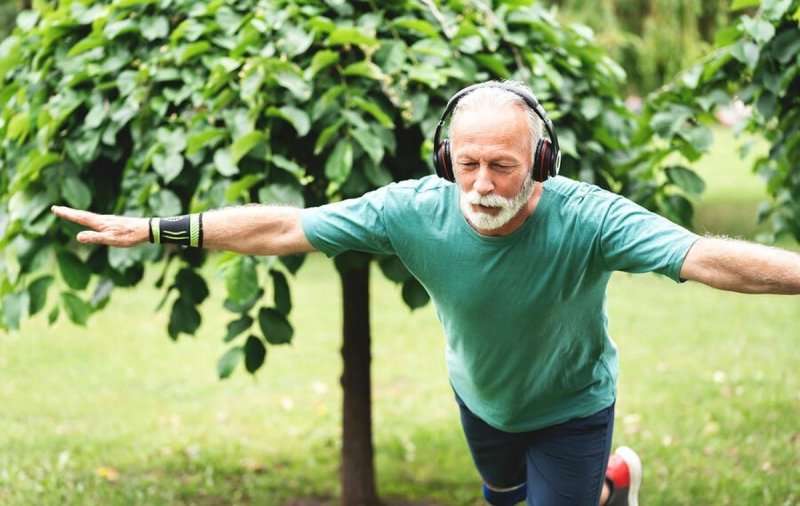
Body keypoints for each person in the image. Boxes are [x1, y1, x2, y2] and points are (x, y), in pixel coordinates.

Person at [51, 81, 800, 506]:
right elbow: (284, 225)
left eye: (503, 166)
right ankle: (615, 488)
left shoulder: (592, 219)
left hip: (573, 407)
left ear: (540, 160)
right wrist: (157, 228)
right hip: (481, 401)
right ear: (445, 157)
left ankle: (596, 477)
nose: (481, 184)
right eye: (466, 162)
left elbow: (704, 258)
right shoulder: (413, 208)